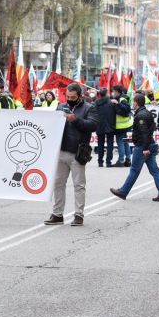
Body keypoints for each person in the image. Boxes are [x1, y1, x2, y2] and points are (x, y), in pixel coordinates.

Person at [44, 83, 99, 226]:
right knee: (58, 184)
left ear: (80, 96)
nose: (69, 99)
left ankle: (79, 215)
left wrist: (75, 120)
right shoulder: (60, 107)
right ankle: (57, 214)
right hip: (61, 150)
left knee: (79, 185)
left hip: (78, 152)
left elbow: (92, 125)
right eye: (68, 96)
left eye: (73, 97)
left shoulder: (89, 108)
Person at [110, 93, 159, 203]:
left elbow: (144, 133)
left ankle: (123, 192)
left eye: (133, 102)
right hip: (149, 144)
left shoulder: (140, 116)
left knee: (134, 170)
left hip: (143, 146)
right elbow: (148, 130)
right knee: (155, 170)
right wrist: (135, 138)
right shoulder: (146, 113)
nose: (132, 104)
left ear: (136, 103)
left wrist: (145, 148)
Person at [93, 88, 116, 167]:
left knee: (100, 144)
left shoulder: (96, 103)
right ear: (106, 94)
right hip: (110, 125)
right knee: (110, 144)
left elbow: (94, 113)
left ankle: (100, 162)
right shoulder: (111, 102)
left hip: (100, 125)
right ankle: (108, 162)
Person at [111, 85, 133, 167]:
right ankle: (128, 159)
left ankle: (121, 160)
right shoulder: (121, 98)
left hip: (120, 126)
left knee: (120, 142)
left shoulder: (121, 99)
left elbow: (127, 109)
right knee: (125, 142)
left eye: (114, 91)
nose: (113, 93)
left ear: (117, 92)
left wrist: (117, 103)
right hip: (124, 125)